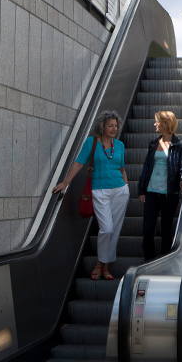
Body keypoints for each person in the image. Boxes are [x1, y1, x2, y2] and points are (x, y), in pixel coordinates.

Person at [53, 111, 129, 280]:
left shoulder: (120, 145)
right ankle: (100, 263)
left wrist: (126, 186)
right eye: (110, 125)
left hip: (119, 191)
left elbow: (122, 169)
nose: (114, 128)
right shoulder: (91, 142)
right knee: (106, 228)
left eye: (116, 126)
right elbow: (79, 163)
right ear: (102, 126)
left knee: (114, 231)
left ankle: (105, 266)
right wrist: (65, 182)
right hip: (98, 191)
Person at [137, 110, 182, 260]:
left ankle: (164, 260)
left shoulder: (179, 145)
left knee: (166, 230)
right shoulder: (153, 143)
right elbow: (146, 167)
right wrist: (141, 190)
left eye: (157, 121)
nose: (155, 124)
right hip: (151, 192)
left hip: (169, 194)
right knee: (147, 230)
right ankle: (148, 261)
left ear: (164, 124)